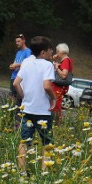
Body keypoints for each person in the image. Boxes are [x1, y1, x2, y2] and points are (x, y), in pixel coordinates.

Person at [13, 36, 56, 170]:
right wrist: (53, 98)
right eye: (50, 50)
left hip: (27, 109)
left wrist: (23, 96)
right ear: (43, 52)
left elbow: (16, 83)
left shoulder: (27, 63)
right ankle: (44, 172)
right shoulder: (48, 65)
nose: (52, 52)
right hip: (43, 110)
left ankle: (22, 171)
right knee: (46, 143)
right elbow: (47, 86)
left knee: (24, 141)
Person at [51, 43, 73, 120]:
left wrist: (57, 68)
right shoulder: (64, 60)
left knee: (56, 104)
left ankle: (56, 121)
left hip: (60, 87)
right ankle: (56, 120)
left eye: (57, 51)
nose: (56, 53)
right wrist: (54, 60)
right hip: (60, 86)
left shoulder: (66, 61)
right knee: (56, 103)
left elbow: (64, 75)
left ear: (61, 52)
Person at [9, 34, 31, 105]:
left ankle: (19, 113)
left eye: (18, 41)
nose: (17, 43)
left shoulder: (28, 51)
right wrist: (12, 66)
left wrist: (17, 65)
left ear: (24, 41)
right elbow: (15, 62)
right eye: (16, 42)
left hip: (21, 78)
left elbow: (28, 63)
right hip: (14, 76)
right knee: (12, 96)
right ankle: (12, 112)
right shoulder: (18, 52)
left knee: (19, 98)